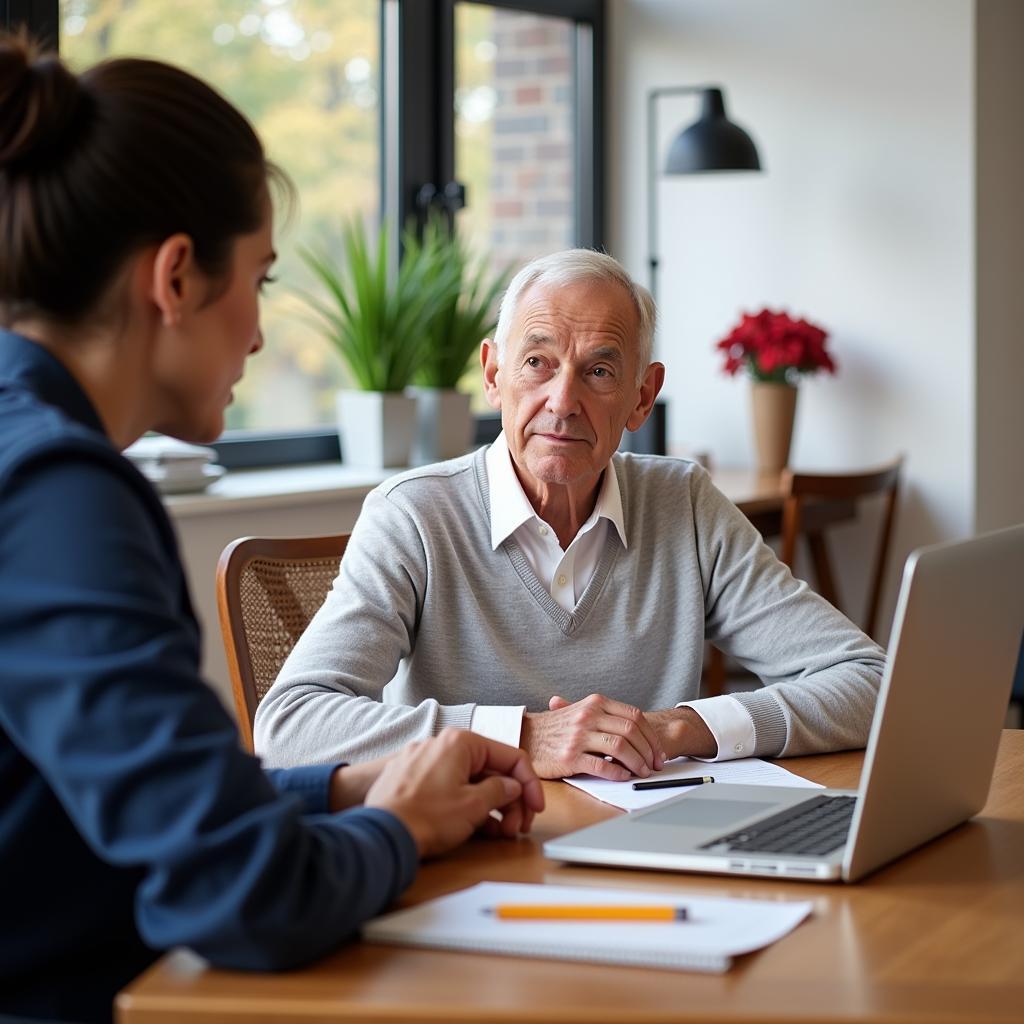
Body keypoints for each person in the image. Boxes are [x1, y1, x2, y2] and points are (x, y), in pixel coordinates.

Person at [0, 37, 543, 1024]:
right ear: (174, 277)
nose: (257, 330)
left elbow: (147, 806)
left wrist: (340, 788)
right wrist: (396, 829)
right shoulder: (57, 491)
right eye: (261, 276)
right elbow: (241, 891)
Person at [254, 249, 886, 779]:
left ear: (642, 398)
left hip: (651, 850)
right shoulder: (413, 515)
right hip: (478, 858)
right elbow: (290, 725)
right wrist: (524, 737)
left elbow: (873, 682)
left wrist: (678, 728)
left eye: (600, 371)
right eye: (537, 362)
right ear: (493, 375)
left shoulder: (684, 504)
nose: (563, 400)